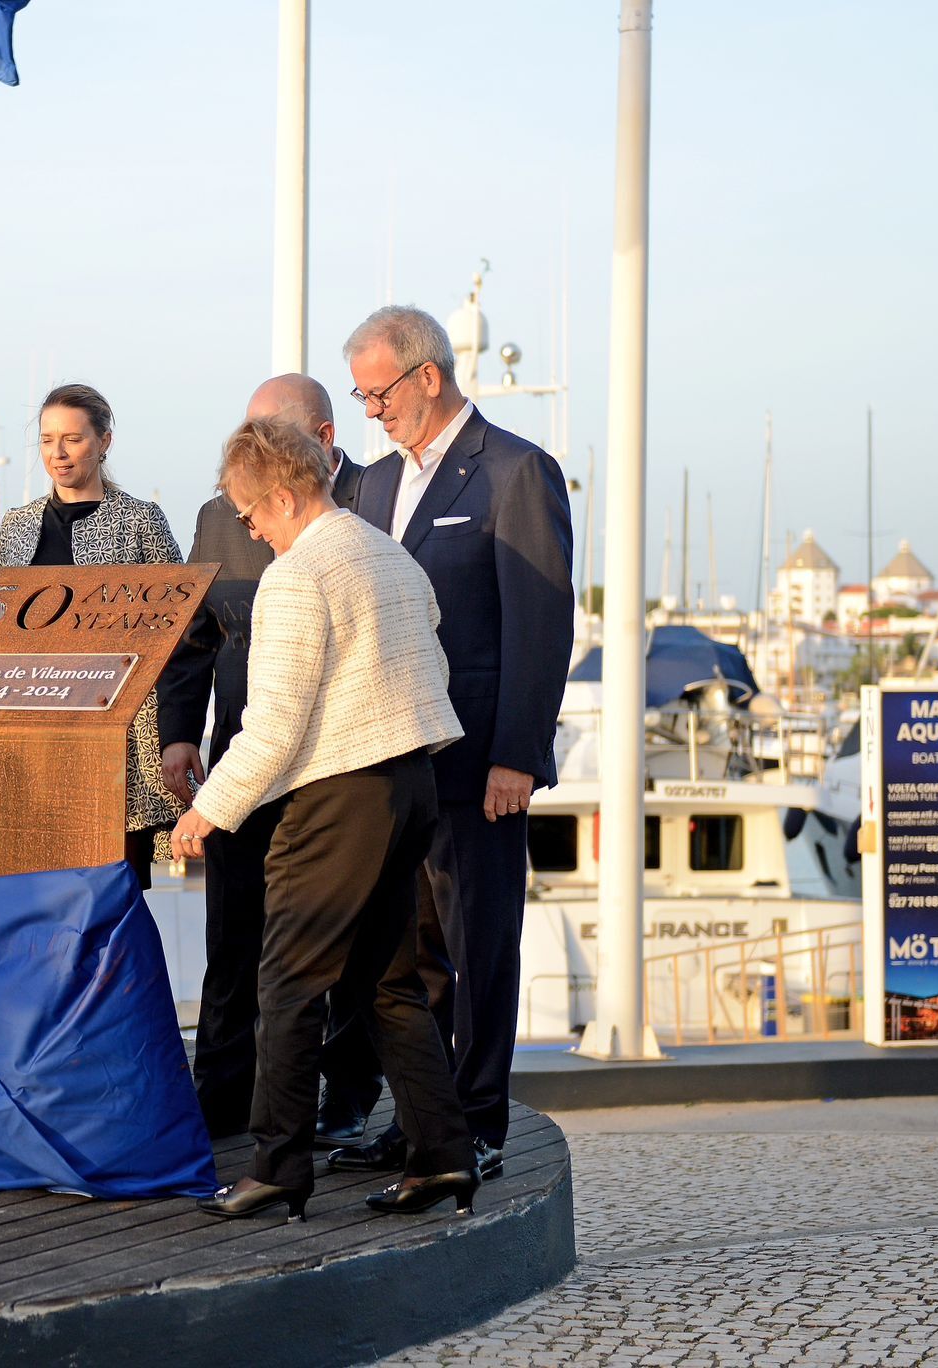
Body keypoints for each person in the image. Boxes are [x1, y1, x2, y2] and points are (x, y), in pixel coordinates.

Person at [173, 416, 478, 1223]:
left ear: (281, 496)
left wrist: (208, 811)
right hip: (409, 785)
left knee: (289, 983)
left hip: (339, 797)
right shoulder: (389, 555)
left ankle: (276, 1167)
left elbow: (273, 724)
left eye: (248, 514)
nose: (248, 529)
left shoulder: (297, 575)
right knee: (388, 985)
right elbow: (434, 665)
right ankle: (443, 1159)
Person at [331, 305, 574, 1177]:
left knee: (480, 945)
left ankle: (477, 1122)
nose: (371, 410)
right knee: (410, 949)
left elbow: (540, 624)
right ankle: (420, 1121)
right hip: (391, 759)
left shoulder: (515, 472)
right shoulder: (370, 484)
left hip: (478, 761)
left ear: (427, 376)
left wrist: (517, 753)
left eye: (378, 391)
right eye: (359, 396)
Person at [156, 374, 374, 1141]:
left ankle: (340, 1102)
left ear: (319, 437)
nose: (248, 454)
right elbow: (192, 637)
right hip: (240, 757)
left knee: (335, 947)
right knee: (233, 936)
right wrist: (180, 730)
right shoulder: (220, 515)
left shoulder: (372, 505)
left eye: (267, 436)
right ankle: (220, 1102)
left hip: (329, 765)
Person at [0, 382, 183, 889]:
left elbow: (178, 629)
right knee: (42, 893)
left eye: (73, 439)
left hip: (119, 743)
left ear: (104, 441)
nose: (57, 453)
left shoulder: (141, 520)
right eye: (47, 439)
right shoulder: (16, 526)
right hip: (40, 739)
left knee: (114, 894)